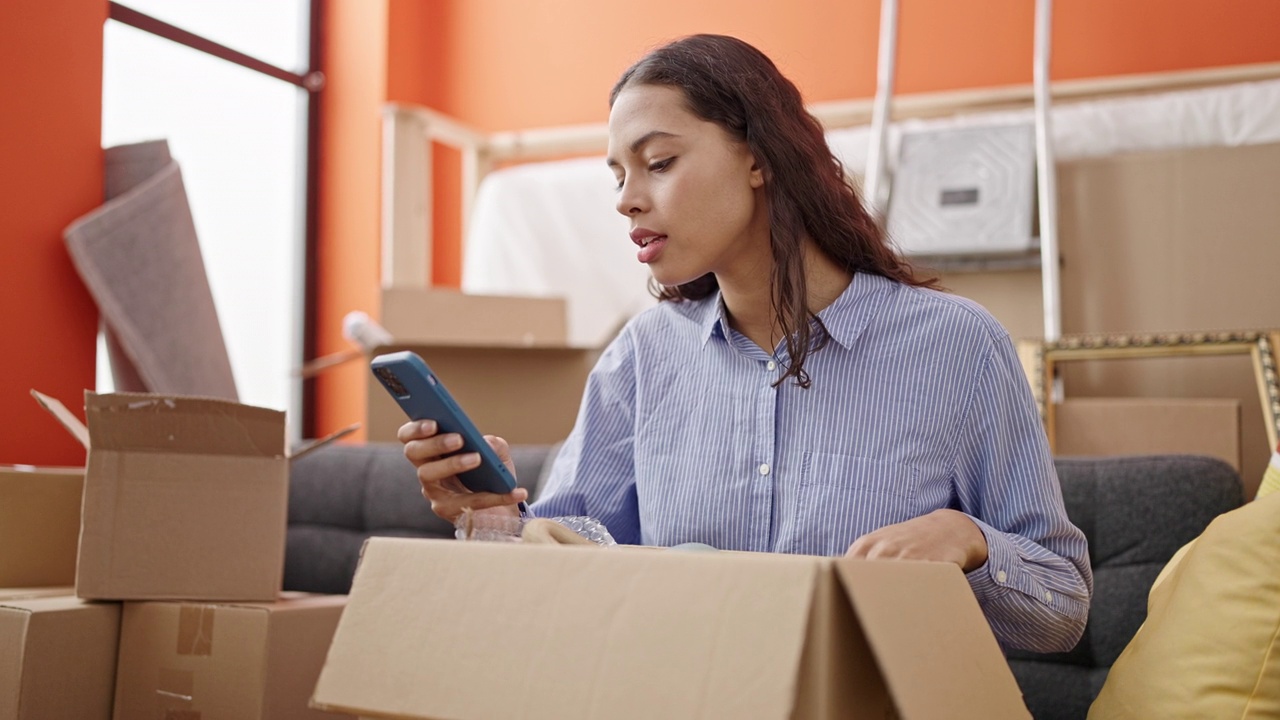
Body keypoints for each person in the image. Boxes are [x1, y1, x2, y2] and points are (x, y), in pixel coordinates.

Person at [399, 33, 1091, 654]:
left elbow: (1062, 612)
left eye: (658, 162)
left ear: (758, 159)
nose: (626, 199)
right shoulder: (641, 357)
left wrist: (969, 541)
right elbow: (567, 567)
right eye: (618, 175)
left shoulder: (959, 349)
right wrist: (489, 517)